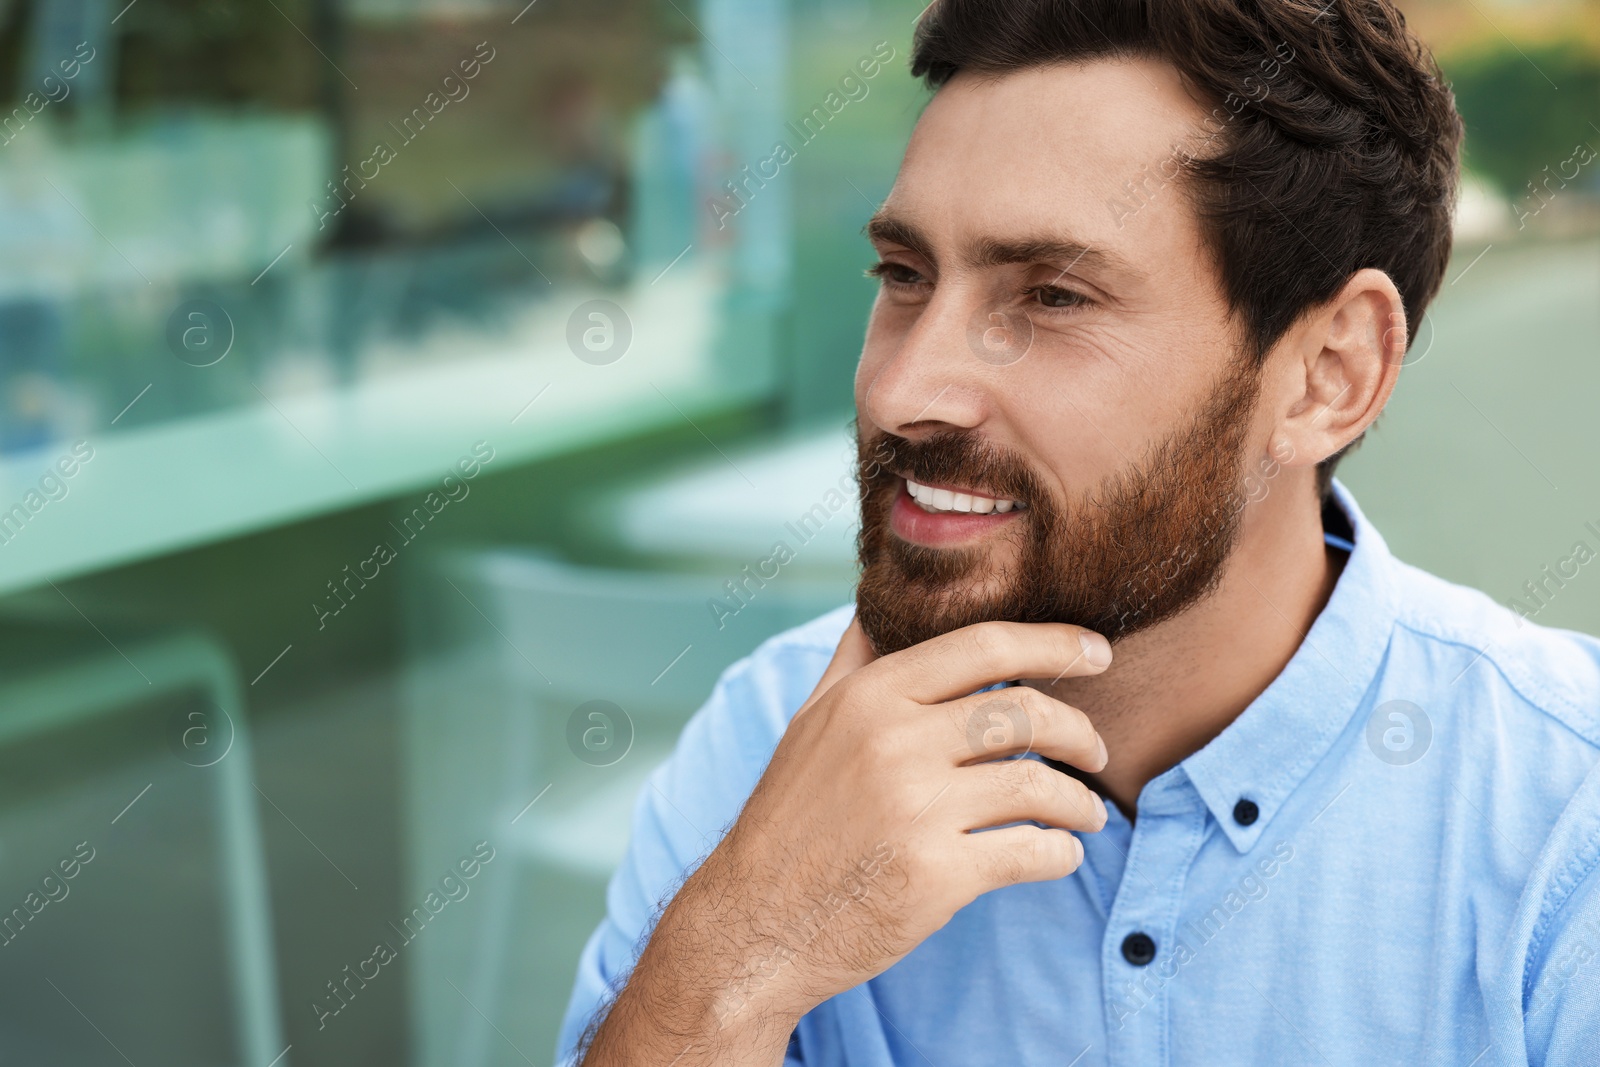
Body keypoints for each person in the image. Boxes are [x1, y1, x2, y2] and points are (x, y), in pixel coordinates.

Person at [559, 1, 1600, 1063]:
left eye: (1052, 297)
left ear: (1328, 375)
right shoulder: (771, 747)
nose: (906, 388)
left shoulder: (1566, 823)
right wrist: (738, 954)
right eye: (904, 276)